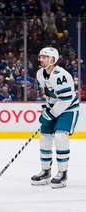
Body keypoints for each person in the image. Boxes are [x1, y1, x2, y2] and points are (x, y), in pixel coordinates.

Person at [31, 47, 79, 189]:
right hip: (53, 107)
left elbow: (65, 99)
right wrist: (48, 109)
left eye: (44, 57)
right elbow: (50, 94)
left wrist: (50, 114)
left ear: (53, 60)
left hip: (69, 109)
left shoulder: (61, 75)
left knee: (60, 137)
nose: (41, 59)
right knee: (45, 138)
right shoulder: (40, 73)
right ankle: (46, 172)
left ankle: (62, 173)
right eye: (40, 57)